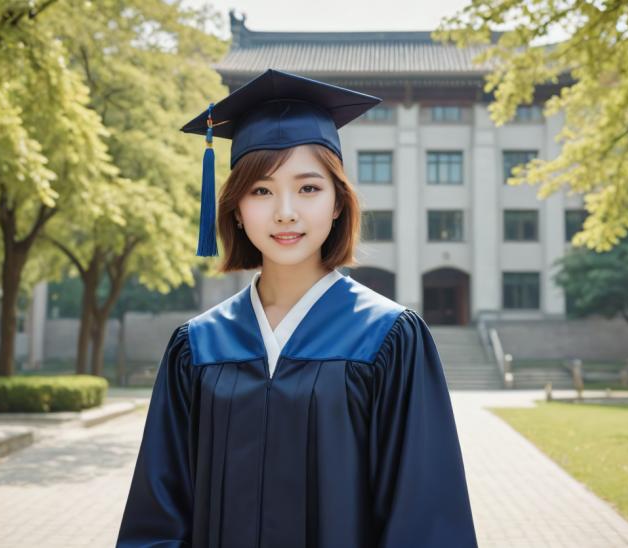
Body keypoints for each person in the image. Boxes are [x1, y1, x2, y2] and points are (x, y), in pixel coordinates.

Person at [115, 69, 477, 548]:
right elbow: (157, 517)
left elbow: (425, 520)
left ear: (337, 204)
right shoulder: (198, 347)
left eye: (308, 188)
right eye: (261, 190)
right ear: (237, 211)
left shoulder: (388, 338)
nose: (285, 211)